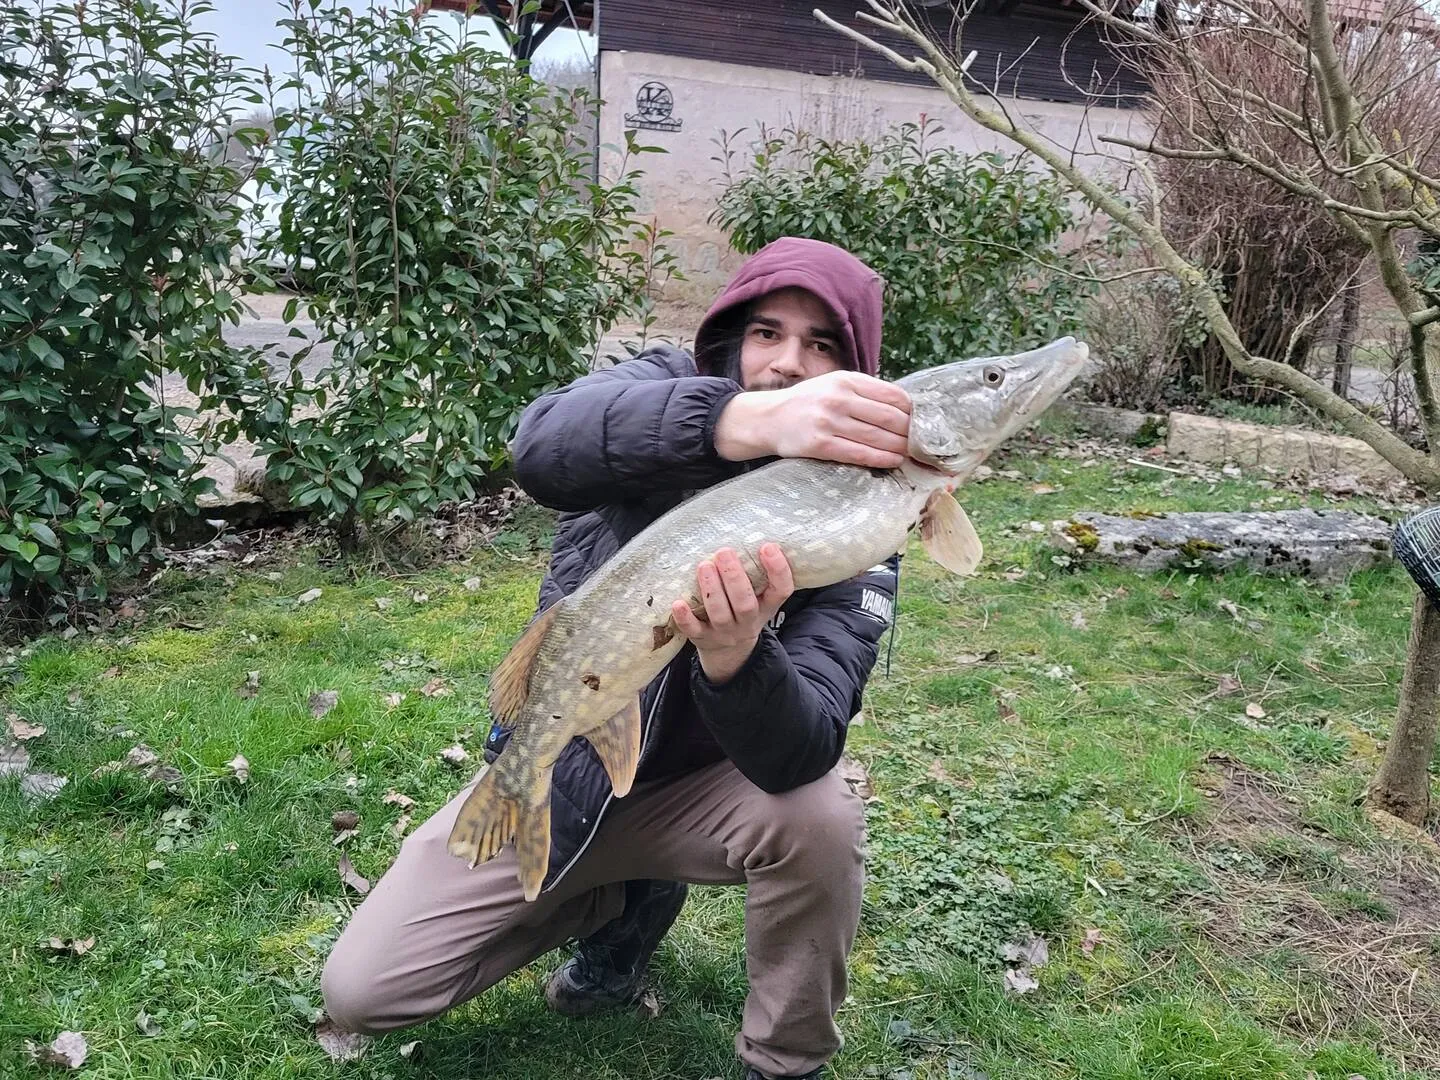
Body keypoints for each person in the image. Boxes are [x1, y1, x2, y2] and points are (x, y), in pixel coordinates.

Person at [320, 237, 913, 1080]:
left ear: (858, 373)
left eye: (822, 346)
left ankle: (785, 1060)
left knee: (821, 815)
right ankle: (615, 902)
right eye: (769, 333)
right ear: (732, 335)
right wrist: (733, 422)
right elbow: (541, 445)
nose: (788, 364)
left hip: (715, 792)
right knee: (362, 992)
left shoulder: (865, 511)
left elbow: (805, 741)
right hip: (567, 768)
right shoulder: (660, 388)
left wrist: (738, 655)